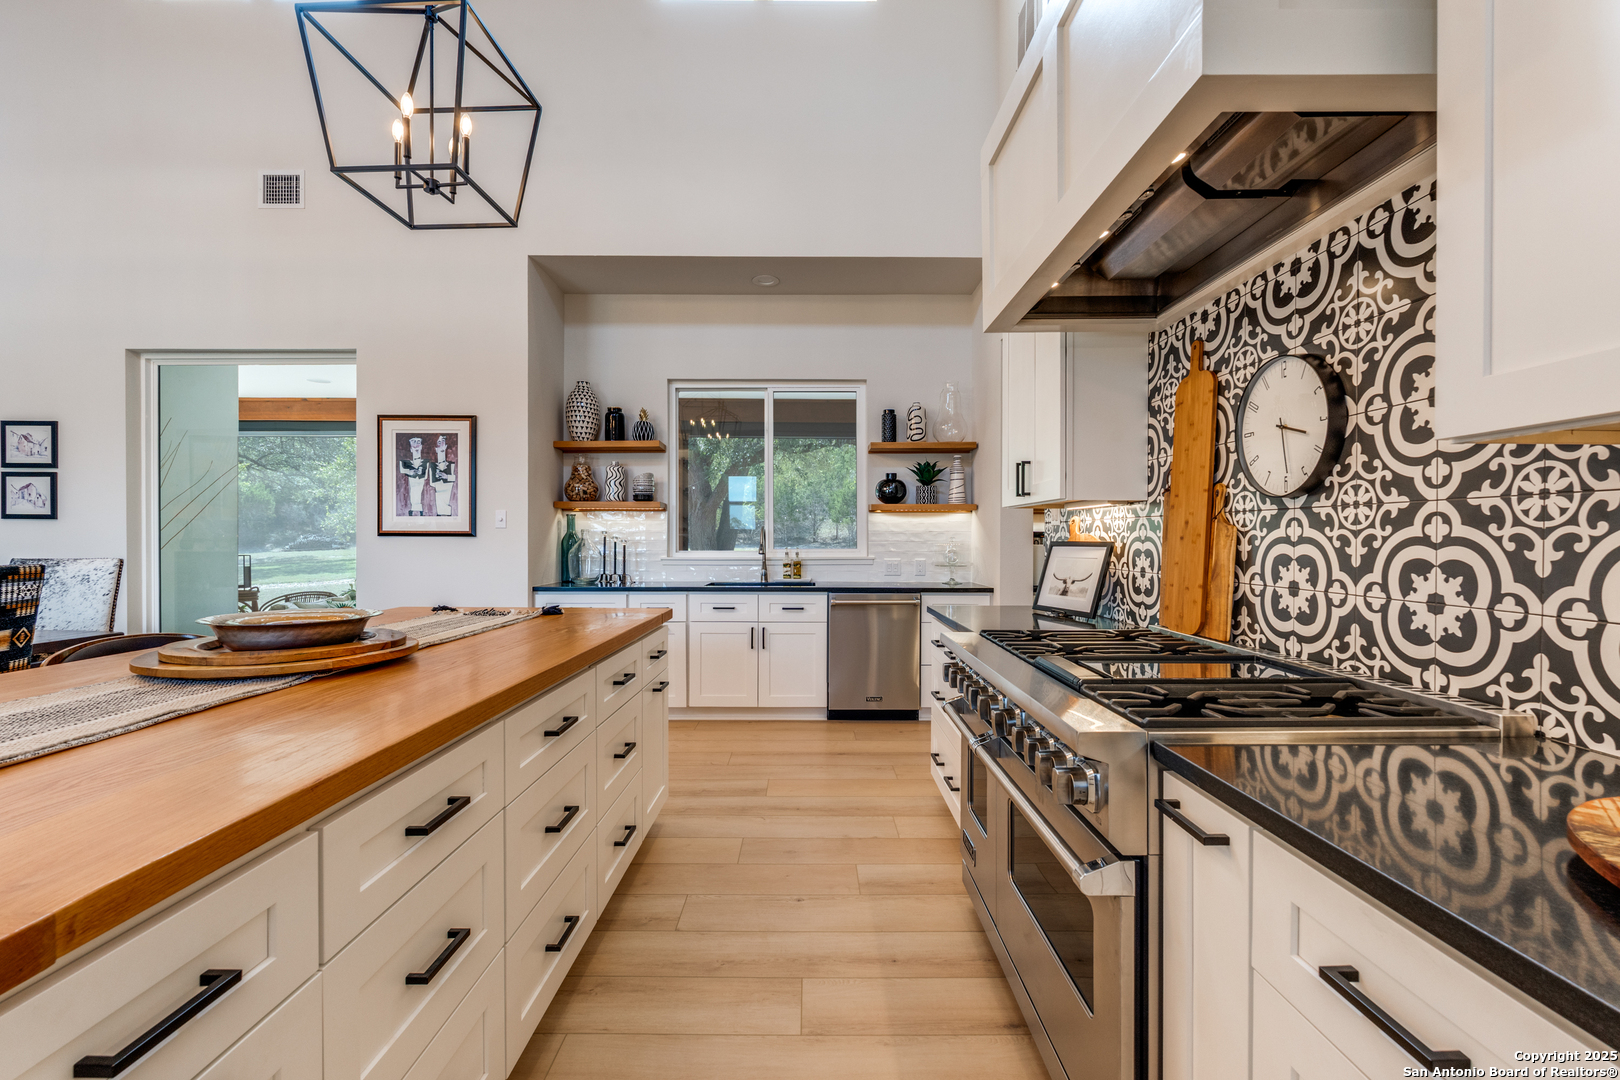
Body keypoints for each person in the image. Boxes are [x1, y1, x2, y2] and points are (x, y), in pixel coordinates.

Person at [428, 435, 457, 516]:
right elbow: (431, 482)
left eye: (443, 442)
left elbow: (455, 478)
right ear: (436, 449)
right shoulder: (433, 465)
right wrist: (437, 480)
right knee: (440, 507)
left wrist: (446, 477)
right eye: (439, 442)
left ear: (445, 446)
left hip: (448, 488)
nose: (441, 445)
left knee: (446, 505)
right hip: (439, 489)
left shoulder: (451, 464)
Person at [400, 436, 428, 515]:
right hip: (411, 481)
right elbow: (402, 470)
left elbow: (425, 475)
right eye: (414, 443)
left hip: (420, 481)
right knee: (413, 492)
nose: (416, 445)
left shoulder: (425, 462)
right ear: (411, 449)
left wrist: (420, 472)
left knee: (418, 492)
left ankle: (417, 509)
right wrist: (410, 471)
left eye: (418, 443)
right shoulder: (405, 462)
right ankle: (414, 509)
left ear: (421, 447)